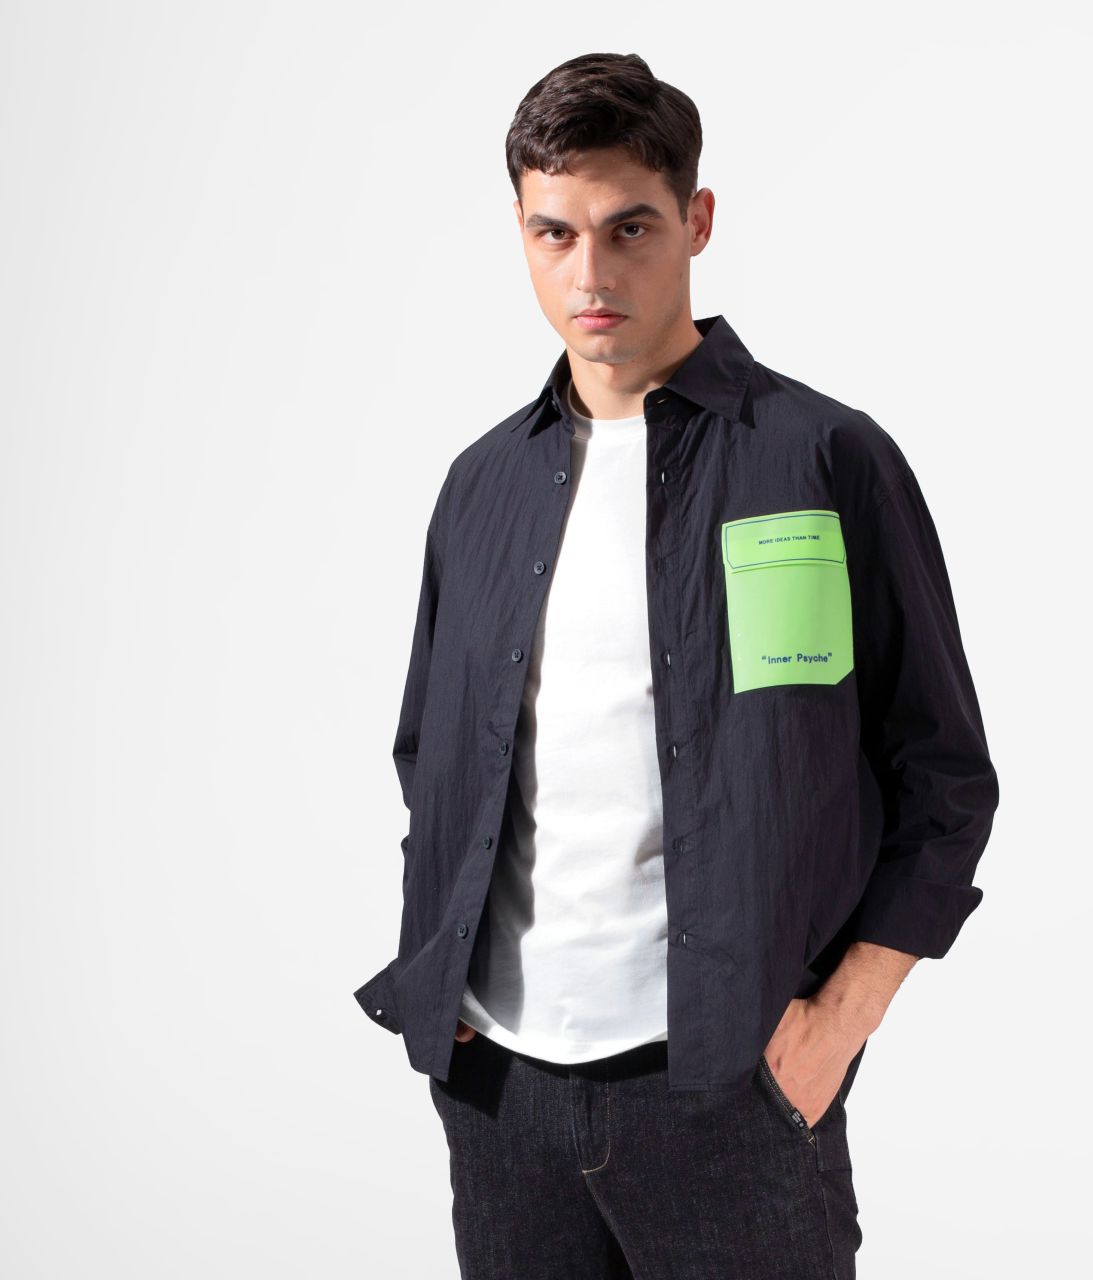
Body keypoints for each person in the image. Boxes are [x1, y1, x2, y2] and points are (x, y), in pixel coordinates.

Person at [353, 51, 999, 1279]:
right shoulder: (481, 485)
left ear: (696, 220)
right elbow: (431, 756)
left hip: (729, 1090)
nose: (589, 273)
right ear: (519, 232)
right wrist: (440, 973)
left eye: (628, 228)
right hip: (499, 1094)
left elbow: (944, 779)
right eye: (553, 232)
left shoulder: (818, 459)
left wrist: (833, 1025)